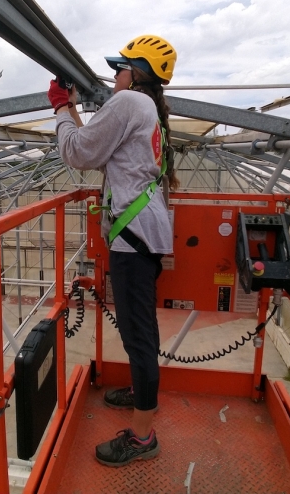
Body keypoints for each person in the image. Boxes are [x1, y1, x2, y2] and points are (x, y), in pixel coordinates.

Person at [49, 34, 180, 467]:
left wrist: (60, 109)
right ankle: (140, 394)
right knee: (136, 328)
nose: (113, 76)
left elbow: (77, 152)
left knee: (138, 335)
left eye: (119, 69)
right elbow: (100, 149)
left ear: (135, 72)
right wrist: (72, 109)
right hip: (142, 233)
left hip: (134, 237)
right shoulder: (148, 109)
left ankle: (143, 438)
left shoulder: (129, 104)